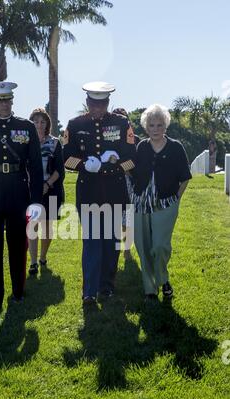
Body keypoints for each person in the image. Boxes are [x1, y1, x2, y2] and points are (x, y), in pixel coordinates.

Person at [0, 81, 43, 315]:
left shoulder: (26, 127)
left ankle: (18, 292)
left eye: (7, 100)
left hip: (18, 192)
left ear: (12, 101)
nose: (4, 105)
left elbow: (35, 166)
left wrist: (35, 201)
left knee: (17, 246)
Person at [63, 81, 136, 305]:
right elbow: (66, 159)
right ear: (87, 102)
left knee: (110, 243)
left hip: (114, 192)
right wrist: (86, 165)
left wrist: (111, 166)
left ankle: (107, 287)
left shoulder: (122, 123)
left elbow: (132, 160)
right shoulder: (75, 125)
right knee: (92, 242)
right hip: (89, 192)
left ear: (107, 103)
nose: (97, 108)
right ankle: (89, 291)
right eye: (94, 104)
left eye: (102, 104)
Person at [131, 104, 192, 302]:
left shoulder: (176, 147)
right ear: (146, 127)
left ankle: (163, 278)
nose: (155, 129)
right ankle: (150, 289)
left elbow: (185, 177)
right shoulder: (141, 147)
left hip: (166, 205)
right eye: (151, 125)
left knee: (160, 246)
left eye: (159, 125)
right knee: (143, 246)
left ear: (165, 126)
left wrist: (176, 200)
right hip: (141, 205)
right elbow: (133, 173)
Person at [28, 108, 65, 275]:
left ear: (47, 124)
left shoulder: (55, 142)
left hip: (51, 189)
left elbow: (59, 170)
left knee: (48, 227)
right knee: (32, 225)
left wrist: (47, 184)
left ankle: (43, 256)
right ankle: (34, 262)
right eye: (36, 121)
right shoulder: (25, 141)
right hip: (31, 189)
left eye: (42, 121)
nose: (39, 124)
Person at [112, 107, 140, 261]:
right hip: (111, 180)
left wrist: (126, 169)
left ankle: (127, 250)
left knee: (128, 218)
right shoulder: (107, 138)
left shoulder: (135, 139)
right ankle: (115, 250)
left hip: (129, 180)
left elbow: (138, 161)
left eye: (123, 118)